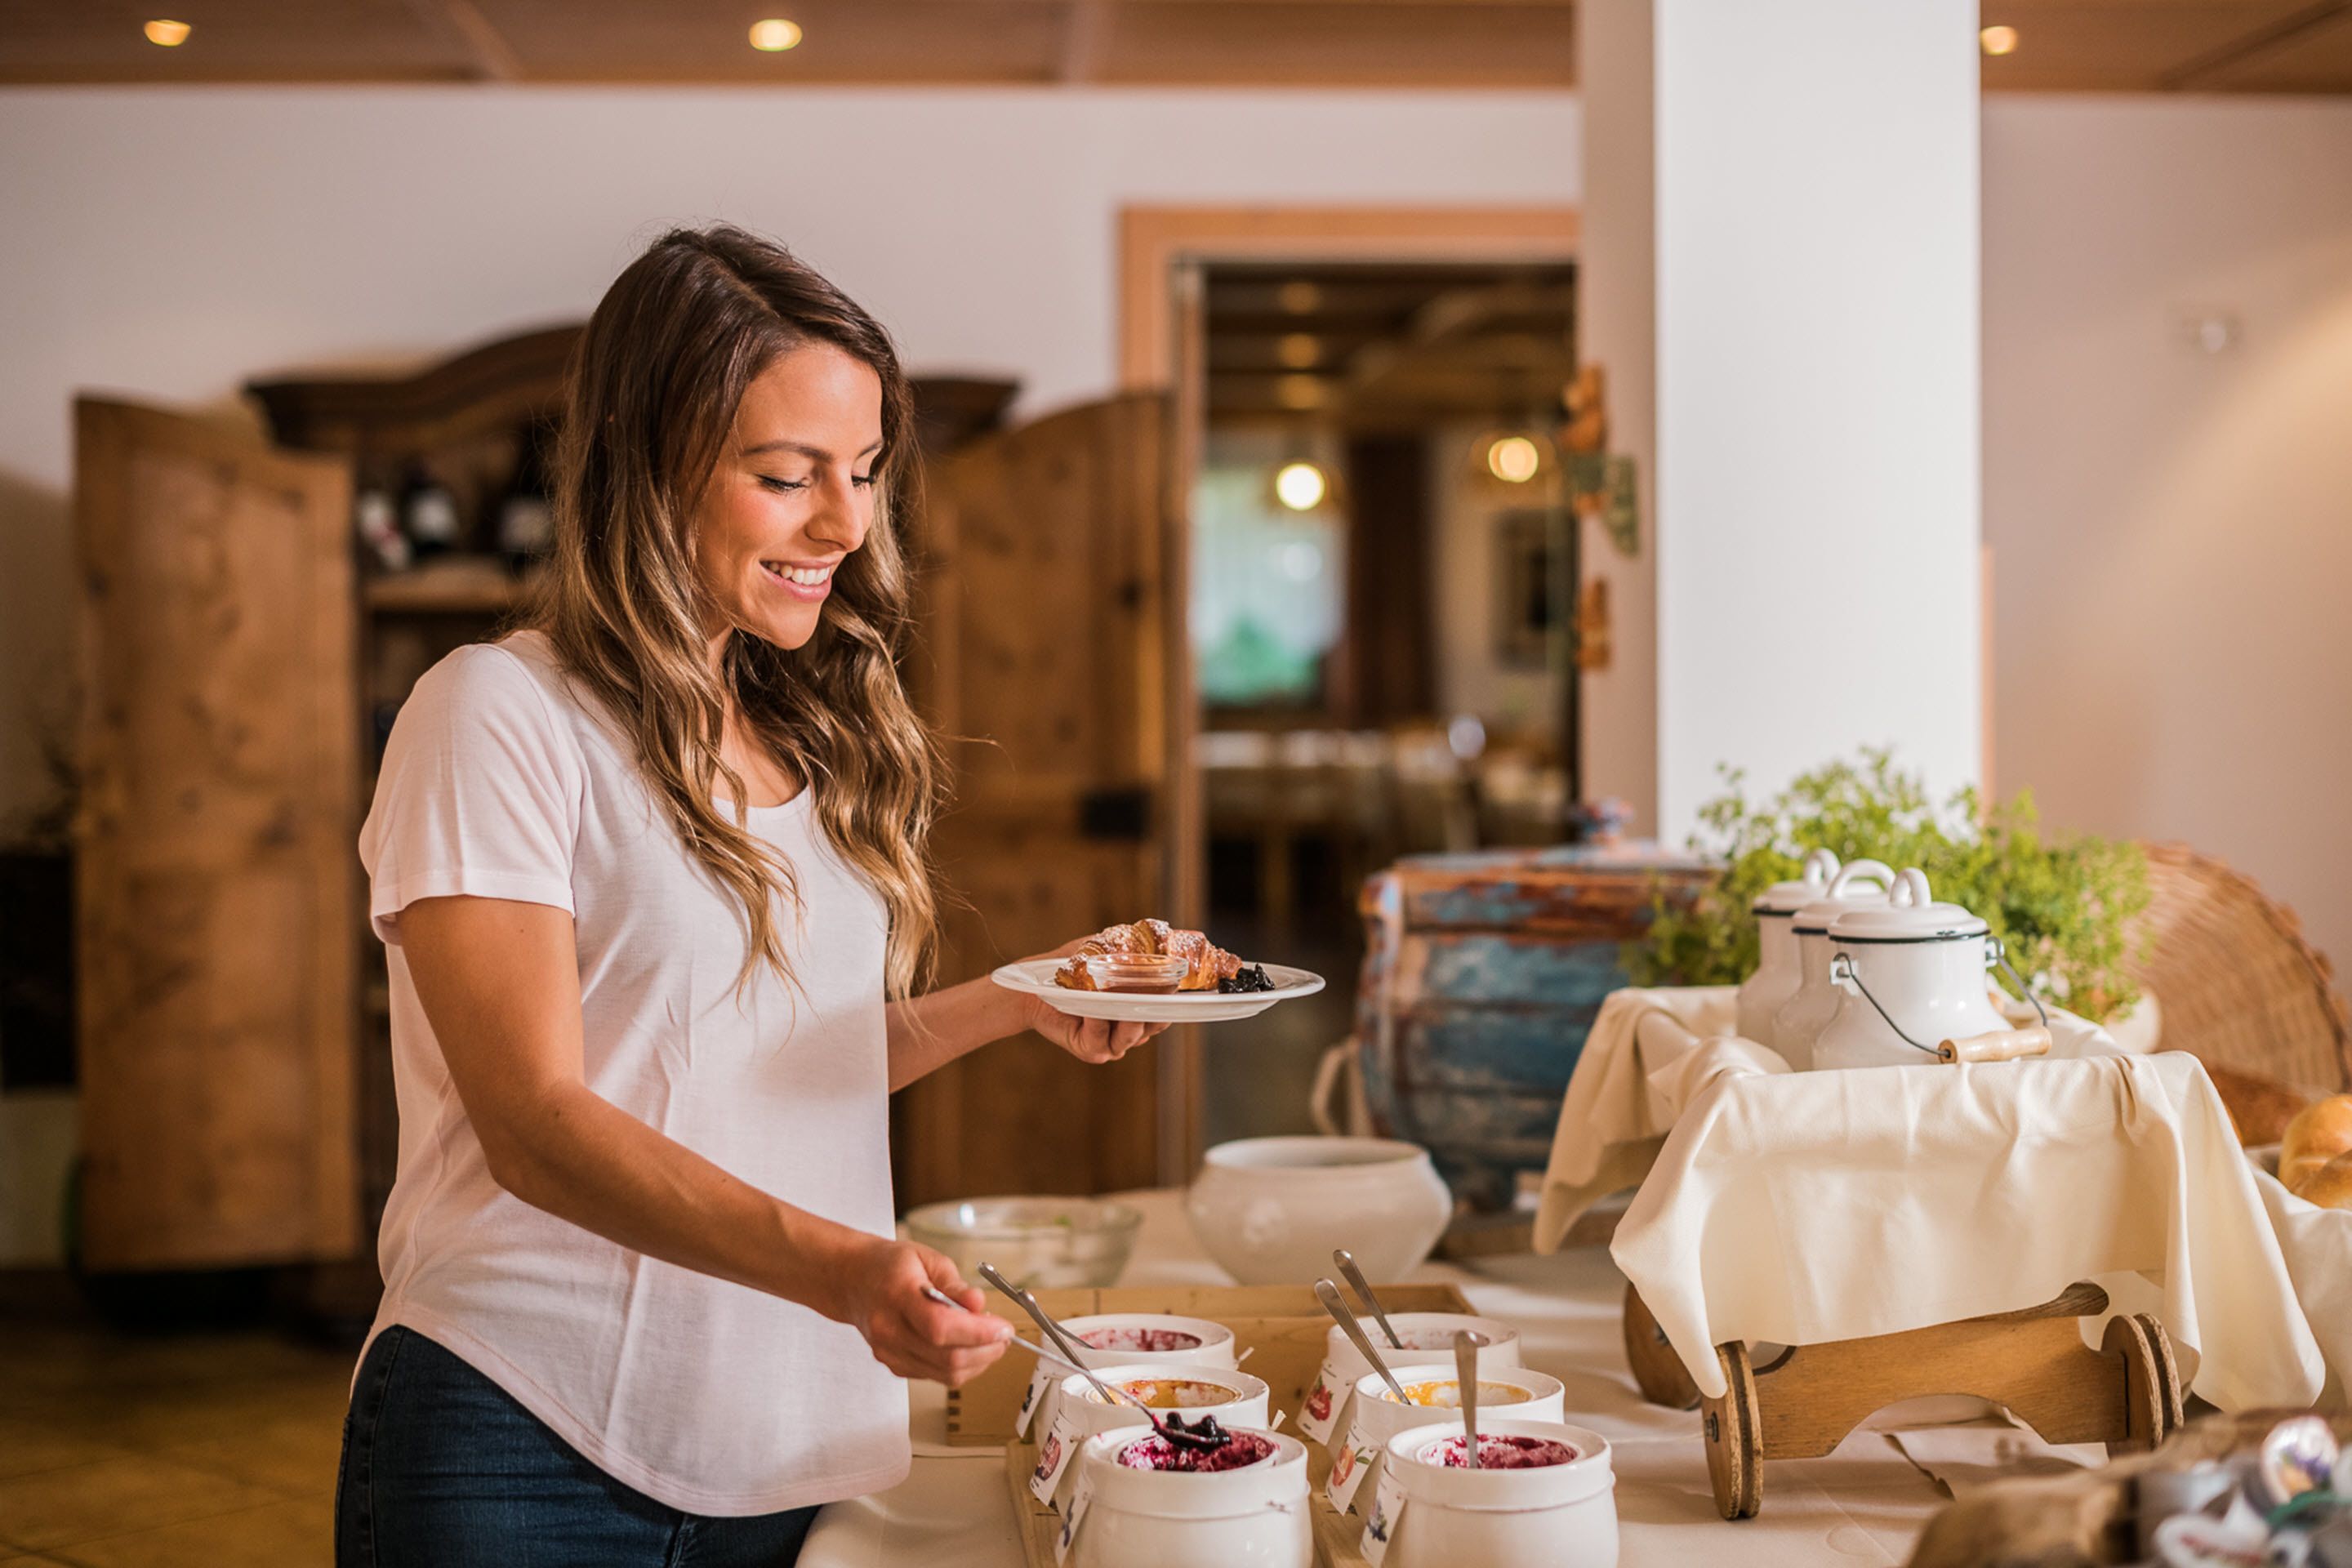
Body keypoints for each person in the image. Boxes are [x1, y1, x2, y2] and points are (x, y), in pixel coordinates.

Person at [334, 225, 1169, 1566]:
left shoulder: (800, 734)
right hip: (523, 1437)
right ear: (647, 466)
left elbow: (760, 1075)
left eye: (866, 474)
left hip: (777, 1430)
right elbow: (536, 1125)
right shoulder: (494, 713)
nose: (844, 525)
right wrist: (843, 1269)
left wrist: (1018, 1001)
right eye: (787, 477)